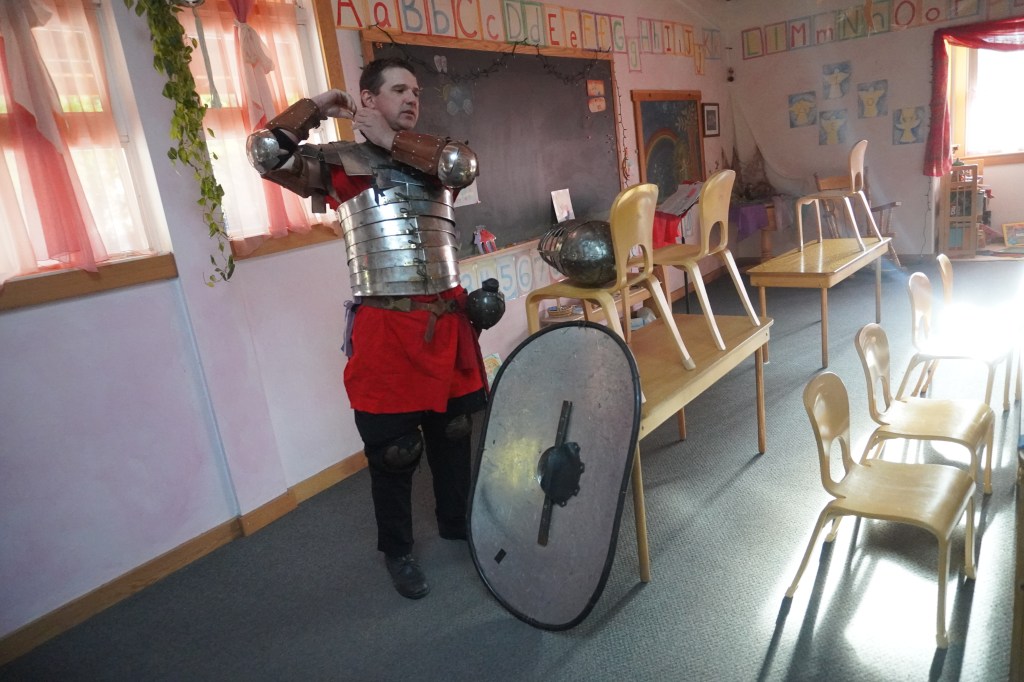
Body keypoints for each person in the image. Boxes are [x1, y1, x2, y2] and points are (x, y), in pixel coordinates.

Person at [246, 58, 498, 599]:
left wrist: (388, 135)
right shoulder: (340, 164)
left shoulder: (436, 157)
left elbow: (463, 166)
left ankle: (456, 523)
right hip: (386, 326)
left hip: (447, 320)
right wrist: (318, 106)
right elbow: (267, 154)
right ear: (368, 97)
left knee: (454, 436)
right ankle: (399, 551)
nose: (412, 98)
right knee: (395, 451)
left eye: (416, 91)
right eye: (399, 89)